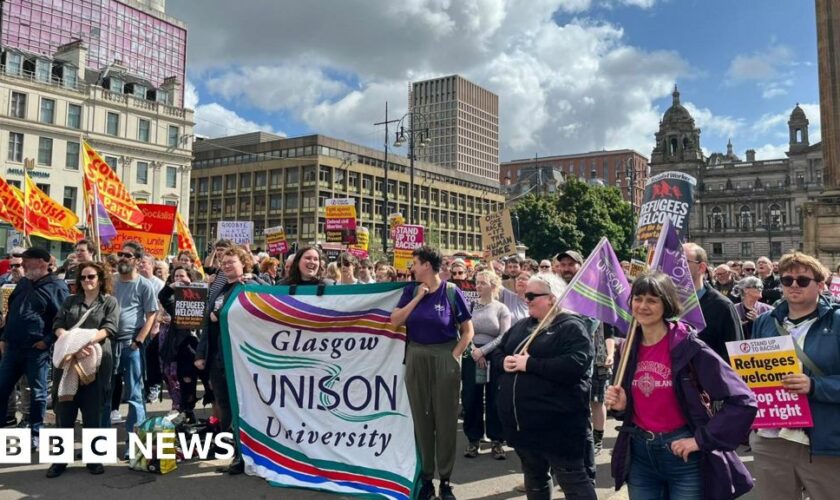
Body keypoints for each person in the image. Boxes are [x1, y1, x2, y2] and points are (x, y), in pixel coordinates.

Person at [605, 271, 757, 500]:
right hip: (639, 455)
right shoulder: (626, 349)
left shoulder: (689, 346)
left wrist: (700, 440)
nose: (643, 306)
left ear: (666, 305)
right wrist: (621, 406)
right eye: (638, 298)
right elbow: (629, 408)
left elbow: (742, 400)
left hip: (682, 456)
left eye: (652, 300)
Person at [491, 273, 597, 500]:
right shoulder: (522, 325)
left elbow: (576, 364)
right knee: (535, 478)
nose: (526, 299)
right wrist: (504, 361)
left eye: (531, 295)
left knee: (573, 481)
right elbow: (499, 350)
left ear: (552, 298)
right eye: (524, 295)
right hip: (524, 427)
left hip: (558, 428)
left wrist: (530, 364)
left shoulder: (571, 326)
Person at [750, 251, 840, 499]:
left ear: (820, 285)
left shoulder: (837, 321)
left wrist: (814, 385)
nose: (793, 286)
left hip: (822, 440)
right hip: (771, 438)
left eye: (802, 280)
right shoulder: (765, 321)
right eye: (787, 280)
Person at [390, 246, 474, 500]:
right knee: (421, 420)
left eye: (414, 262)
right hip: (416, 355)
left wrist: (454, 355)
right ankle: (426, 478)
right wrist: (417, 298)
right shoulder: (409, 290)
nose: (411, 267)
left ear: (426, 265)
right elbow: (395, 320)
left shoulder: (451, 291)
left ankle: (445, 480)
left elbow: (468, 330)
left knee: (446, 420)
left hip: (444, 355)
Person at [47, 261, 119, 478]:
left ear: (100, 279)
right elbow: (57, 326)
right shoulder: (70, 301)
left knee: (93, 413)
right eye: (83, 277)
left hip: (96, 364)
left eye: (92, 277)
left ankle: (94, 458)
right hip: (68, 363)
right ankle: (60, 460)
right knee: (64, 414)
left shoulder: (109, 302)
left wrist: (84, 343)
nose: (87, 281)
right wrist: (73, 346)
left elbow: (109, 328)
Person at [195, 246, 259, 475]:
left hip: (240, 357)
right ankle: (231, 451)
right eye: (224, 262)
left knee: (242, 404)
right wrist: (201, 355)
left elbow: (272, 295)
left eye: (232, 261)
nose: (226, 265)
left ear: (244, 264)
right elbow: (206, 324)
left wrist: (256, 276)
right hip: (216, 357)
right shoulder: (219, 289)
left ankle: (244, 454)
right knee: (224, 404)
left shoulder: (249, 286)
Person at [0, 248, 70, 444]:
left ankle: (36, 432)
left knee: (37, 393)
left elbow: (62, 319)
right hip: (13, 348)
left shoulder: (57, 287)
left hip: (36, 350)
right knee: (2, 388)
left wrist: (46, 342)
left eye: (26, 262)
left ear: (42, 262)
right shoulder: (23, 283)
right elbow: (12, 310)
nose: (22, 266)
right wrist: (4, 337)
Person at [105, 242, 158, 445]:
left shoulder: (144, 285)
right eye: (120, 254)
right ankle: (101, 443)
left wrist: (139, 341)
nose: (123, 258)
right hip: (109, 343)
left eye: (127, 255)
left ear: (136, 260)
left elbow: (151, 314)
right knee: (106, 392)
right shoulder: (111, 281)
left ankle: (135, 444)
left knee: (135, 394)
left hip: (131, 344)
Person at [462, 270, 511, 460]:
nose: (478, 286)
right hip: (471, 355)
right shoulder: (470, 306)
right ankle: (473, 439)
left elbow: (503, 336)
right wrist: (475, 351)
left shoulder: (501, 309)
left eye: (483, 282)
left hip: (494, 356)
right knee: (471, 397)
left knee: (494, 398)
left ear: (493, 285)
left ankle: (497, 440)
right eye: (477, 282)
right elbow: (464, 330)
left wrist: (484, 351)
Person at [158, 266, 204, 424]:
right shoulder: (175, 302)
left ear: (190, 278)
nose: (179, 279)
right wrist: (172, 287)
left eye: (183, 276)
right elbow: (163, 297)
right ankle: (188, 413)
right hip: (183, 349)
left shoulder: (201, 295)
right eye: (176, 276)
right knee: (187, 384)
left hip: (202, 347)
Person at [683, 243, 743, 361]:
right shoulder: (665, 304)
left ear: (701, 267)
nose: (676, 266)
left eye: (683, 261)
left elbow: (734, 357)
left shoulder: (722, 306)